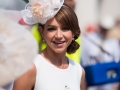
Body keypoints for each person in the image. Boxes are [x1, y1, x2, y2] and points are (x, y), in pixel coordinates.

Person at [13, 0, 86, 90]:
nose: (59, 35)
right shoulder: (30, 68)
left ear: (74, 32)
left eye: (65, 29)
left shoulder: (79, 71)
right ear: (42, 32)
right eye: (52, 29)